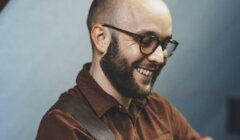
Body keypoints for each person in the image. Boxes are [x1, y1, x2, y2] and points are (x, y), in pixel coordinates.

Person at [36, 0, 212, 140]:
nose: (159, 58)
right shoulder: (64, 126)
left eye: (165, 44)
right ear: (101, 38)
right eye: (145, 41)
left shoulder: (159, 108)